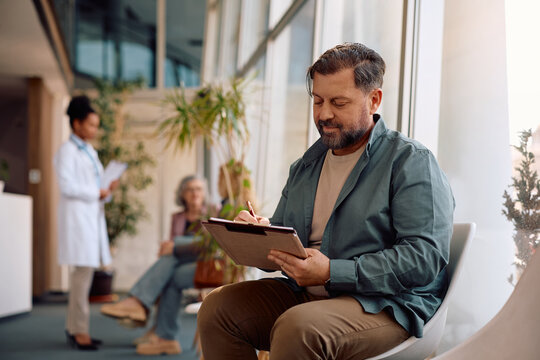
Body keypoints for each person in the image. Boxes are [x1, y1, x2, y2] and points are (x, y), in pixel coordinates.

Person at [197, 42, 455, 360]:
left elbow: (424, 258)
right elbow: (285, 240)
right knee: (218, 309)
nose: (324, 114)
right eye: (317, 101)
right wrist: (258, 234)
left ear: (374, 100)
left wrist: (333, 271)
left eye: (338, 102)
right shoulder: (307, 166)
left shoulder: (410, 162)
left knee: (297, 328)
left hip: (388, 305)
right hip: (308, 297)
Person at [100, 175, 212, 355]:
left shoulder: (212, 213)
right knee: (168, 268)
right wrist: (171, 248)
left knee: (168, 269)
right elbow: (171, 245)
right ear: (182, 194)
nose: (194, 193)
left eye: (198, 189)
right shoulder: (177, 217)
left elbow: (206, 245)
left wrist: (175, 246)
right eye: (190, 189)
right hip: (180, 264)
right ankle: (161, 332)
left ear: (204, 193)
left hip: (204, 266)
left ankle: (143, 308)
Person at [54, 95, 119, 351]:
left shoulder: (89, 151)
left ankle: (74, 328)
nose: (94, 130)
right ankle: (79, 331)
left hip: (90, 218)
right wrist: (97, 192)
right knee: (82, 278)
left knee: (83, 277)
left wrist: (108, 189)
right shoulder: (66, 152)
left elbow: (97, 188)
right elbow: (68, 186)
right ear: (77, 123)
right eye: (91, 125)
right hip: (78, 221)